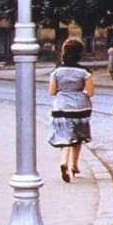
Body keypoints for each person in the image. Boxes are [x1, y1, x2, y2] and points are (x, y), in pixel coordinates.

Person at [47, 38, 95, 182]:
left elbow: (52, 91)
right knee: (78, 136)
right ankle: (74, 165)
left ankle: (64, 162)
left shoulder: (56, 71)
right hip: (81, 107)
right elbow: (91, 92)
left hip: (61, 106)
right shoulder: (84, 72)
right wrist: (80, 94)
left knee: (64, 136)